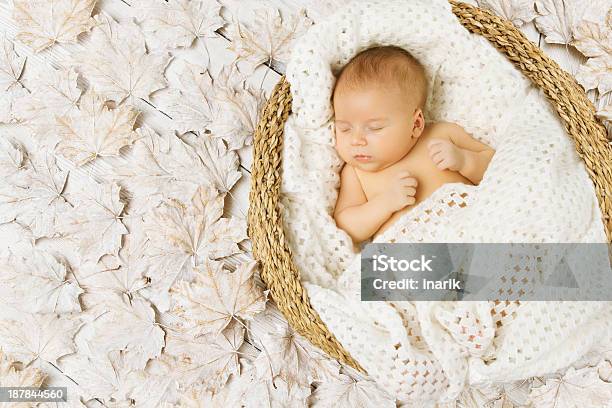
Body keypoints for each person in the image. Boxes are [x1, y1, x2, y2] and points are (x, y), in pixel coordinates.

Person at [332, 45, 495, 245]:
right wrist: (385, 203)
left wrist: (465, 161)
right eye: (344, 128)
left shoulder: (442, 135)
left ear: (416, 124)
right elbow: (347, 227)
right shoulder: (356, 173)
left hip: (473, 233)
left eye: (374, 128)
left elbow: (497, 168)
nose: (356, 140)